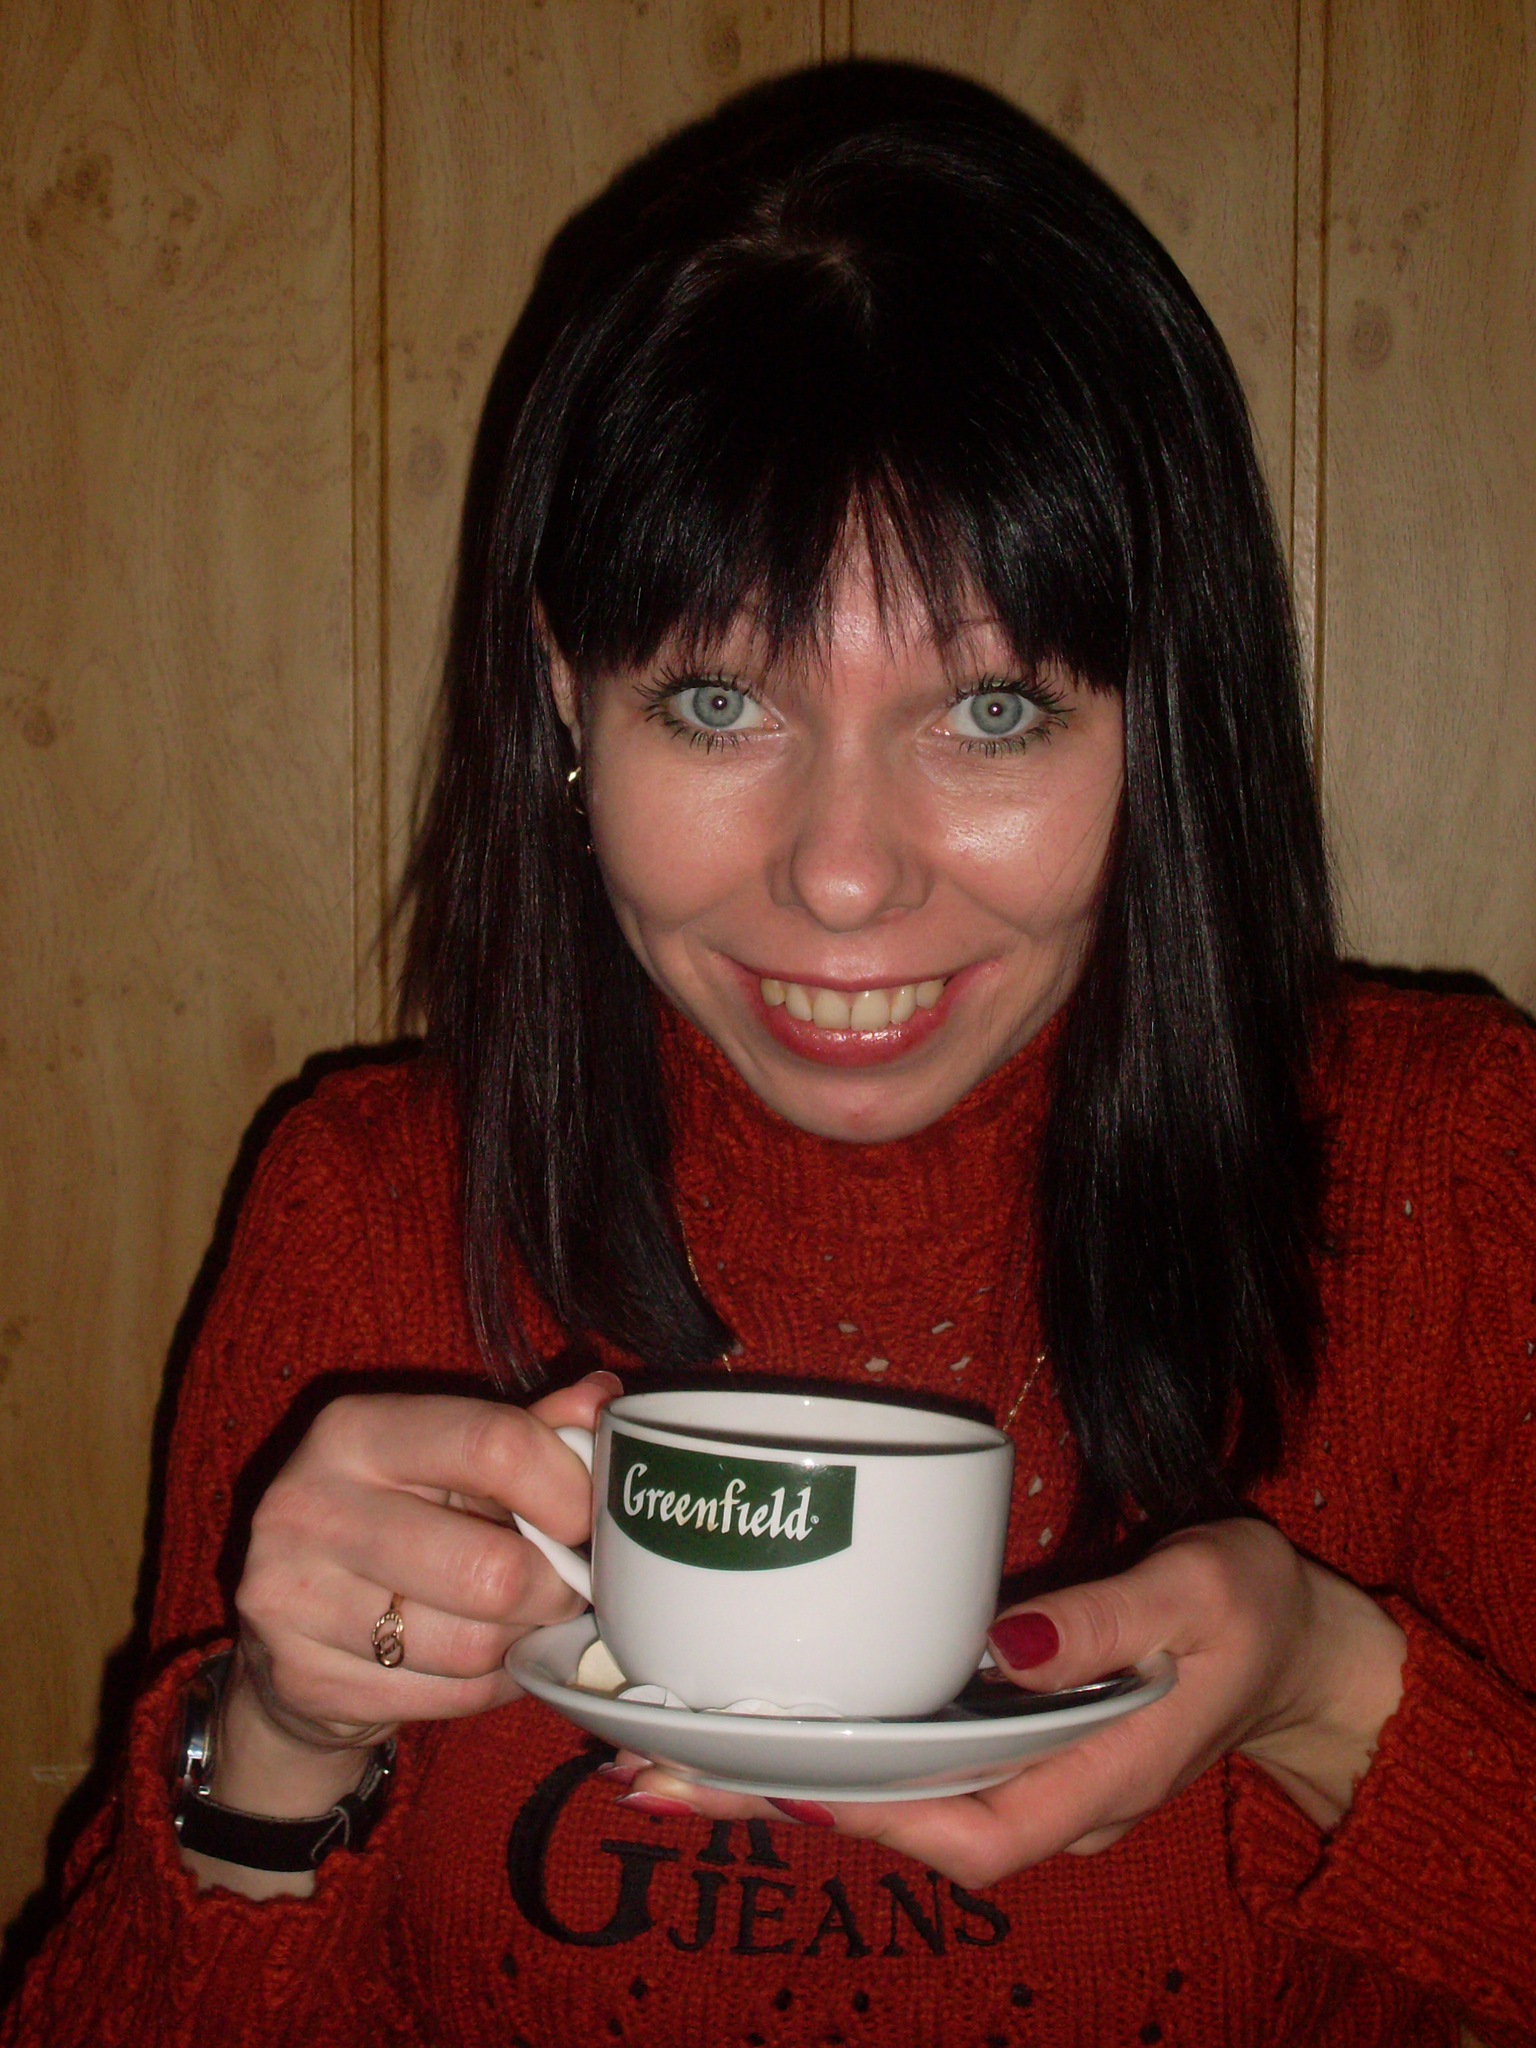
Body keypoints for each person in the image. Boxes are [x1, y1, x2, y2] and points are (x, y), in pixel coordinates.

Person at [6, 60, 1534, 2048]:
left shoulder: (1448, 1184)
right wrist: (277, 1745)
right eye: (719, 700)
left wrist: (1335, 1691)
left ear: (1163, 715)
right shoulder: (368, 1216)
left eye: (993, 709)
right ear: (567, 697)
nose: (841, 873)